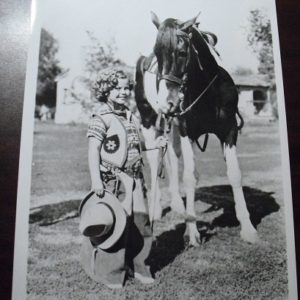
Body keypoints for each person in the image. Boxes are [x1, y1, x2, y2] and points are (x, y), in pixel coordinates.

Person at [80, 69, 167, 289]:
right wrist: (96, 181)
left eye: (126, 87)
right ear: (105, 90)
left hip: (136, 178)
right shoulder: (101, 118)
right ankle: (111, 273)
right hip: (114, 180)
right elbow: (93, 151)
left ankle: (140, 266)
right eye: (116, 88)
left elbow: (137, 144)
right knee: (116, 227)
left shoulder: (130, 116)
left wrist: (155, 145)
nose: (123, 92)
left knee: (141, 224)